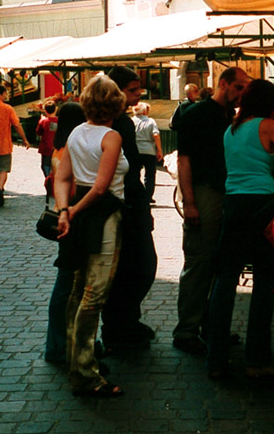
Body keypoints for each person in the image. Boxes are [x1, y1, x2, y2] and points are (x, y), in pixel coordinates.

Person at [206, 78, 274, 379]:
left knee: (226, 278)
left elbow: (260, 162)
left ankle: (214, 359)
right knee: (265, 279)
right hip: (261, 206)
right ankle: (257, 360)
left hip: (234, 205)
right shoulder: (268, 126)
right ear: (271, 104)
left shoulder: (231, 129)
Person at [53, 75, 129, 398]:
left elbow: (62, 178)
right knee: (94, 294)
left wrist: (64, 211)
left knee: (77, 289)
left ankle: (76, 362)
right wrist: (74, 211)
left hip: (79, 214)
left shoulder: (75, 133)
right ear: (115, 104)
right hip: (102, 214)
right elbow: (101, 188)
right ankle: (84, 372)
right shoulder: (111, 137)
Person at [172, 67, 251, 355]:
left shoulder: (230, 117)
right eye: (239, 87)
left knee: (217, 263)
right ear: (223, 84)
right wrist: (190, 202)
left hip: (225, 193)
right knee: (199, 263)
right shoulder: (195, 114)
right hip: (204, 193)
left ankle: (212, 328)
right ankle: (186, 331)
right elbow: (184, 161)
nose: (242, 94)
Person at [100, 66, 157, 354]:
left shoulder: (122, 120)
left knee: (137, 267)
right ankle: (118, 327)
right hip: (124, 203)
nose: (138, 95)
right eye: (132, 90)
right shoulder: (116, 123)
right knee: (138, 267)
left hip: (130, 200)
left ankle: (125, 322)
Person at [44, 101, 86, 365]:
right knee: (67, 284)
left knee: (66, 283)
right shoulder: (72, 150)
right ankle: (59, 345)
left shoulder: (58, 148)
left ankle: (58, 343)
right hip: (73, 217)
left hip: (64, 216)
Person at [132, 102, 162, 203]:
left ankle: (137, 194)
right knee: (150, 174)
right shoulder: (150, 121)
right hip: (149, 150)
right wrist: (159, 150)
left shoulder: (131, 121)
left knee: (135, 173)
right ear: (145, 111)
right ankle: (148, 196)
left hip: (135, 150)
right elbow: (156, 135)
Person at [36, 101, 58, 178]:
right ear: (56, 109)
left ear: (45, 111)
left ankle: (48, 179)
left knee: (45, 165)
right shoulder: (59, 121)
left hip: (46, 147)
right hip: (57, 147)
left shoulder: (43, 121)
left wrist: (40, 120)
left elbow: (38, 132)